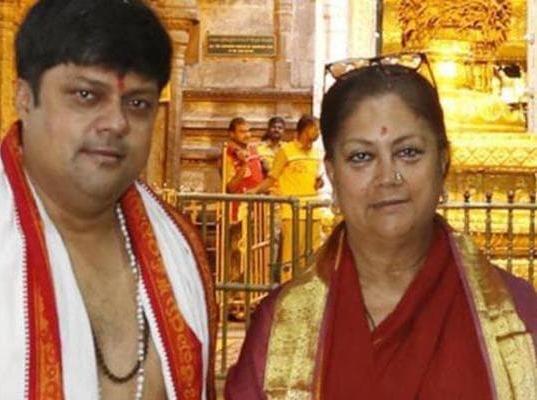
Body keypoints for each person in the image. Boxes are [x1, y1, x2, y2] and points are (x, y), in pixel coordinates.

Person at [0, 1, 217, 399]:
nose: (116, 122)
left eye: (138, 103)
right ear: (24, 99)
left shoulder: (180, 251)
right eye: (86, 95)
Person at [225, 53, 537, 399]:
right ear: (332, 175)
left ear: (443, 162)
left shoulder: (518, 318)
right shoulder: (281, 327)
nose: (388, 177)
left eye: (408, 152)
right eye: (361, 157)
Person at [249, 115, 325, 280]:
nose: (318, 132)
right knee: (291, 259)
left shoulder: (317, 153)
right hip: (293, 212)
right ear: (305, 130)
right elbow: (272, 179)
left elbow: (316, 180)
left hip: (314, 211)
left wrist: (320, 183)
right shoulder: (286, 151)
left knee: (312, 258)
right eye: (316, 129)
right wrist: (254, 191)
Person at [224, 117, 264, 195]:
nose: (247, 135)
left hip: (258, 201)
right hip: (240, 201)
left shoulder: (254, 151)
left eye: (248, 131)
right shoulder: (228, 155)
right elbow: (230, 189)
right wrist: (244, 165)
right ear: (232, 134)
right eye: (242, 132)